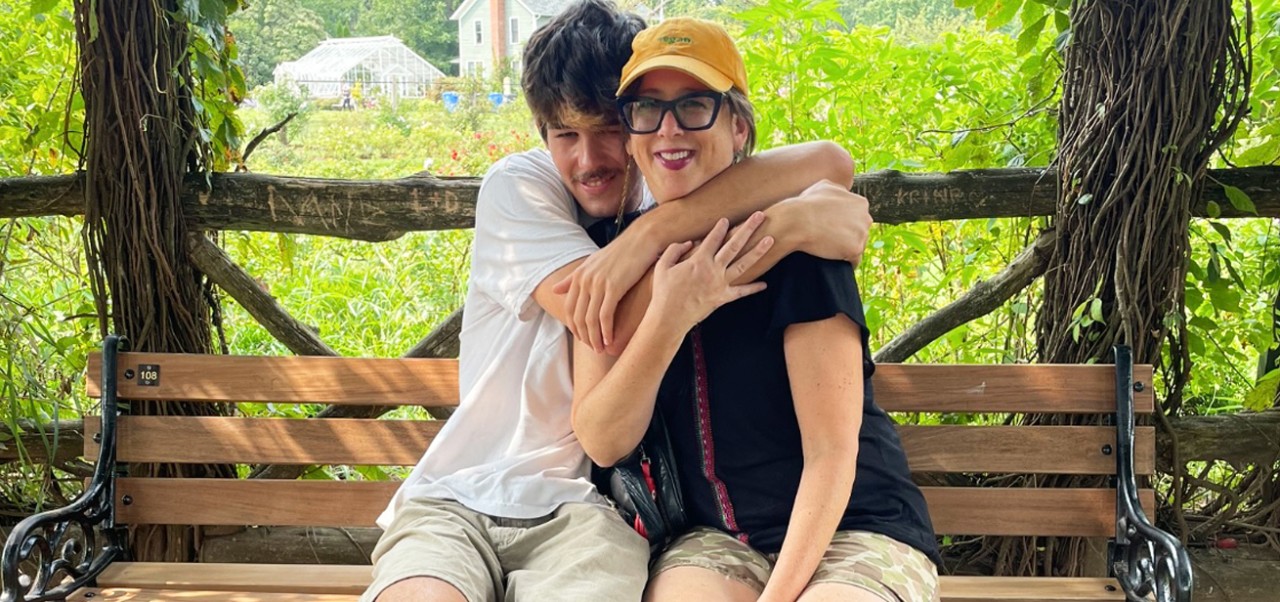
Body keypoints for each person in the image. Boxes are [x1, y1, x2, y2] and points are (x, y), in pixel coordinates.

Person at [362, 2, 874, 601]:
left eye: (608, 129)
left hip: (590, 511)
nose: (589, 160)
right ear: (542, 134)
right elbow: (604, 317)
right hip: (463, 493)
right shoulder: (520, 186)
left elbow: (830, 161)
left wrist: (653, 231)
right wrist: (782, 228)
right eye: (565, 134)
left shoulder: (663, 196)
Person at [571, 18, 941, 602]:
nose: (669, 128)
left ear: (738, 127)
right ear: (631, 134)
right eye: (648, 109)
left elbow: (831, 455)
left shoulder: (799, 243)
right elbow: (602, 439)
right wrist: (671, 316)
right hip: (718, 539)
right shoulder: (612, 259)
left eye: (695, 105)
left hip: (854, 527)